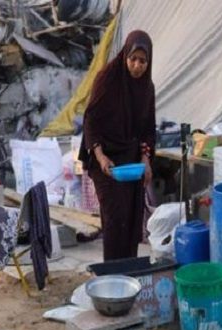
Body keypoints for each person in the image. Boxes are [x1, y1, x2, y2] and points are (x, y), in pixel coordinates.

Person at [79, 30, 156, 261]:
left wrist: (146, 160)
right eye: (133, 59)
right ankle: (113, 272)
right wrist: (100, 156)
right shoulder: (107, 79)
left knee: (131, 218)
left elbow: (147, 128)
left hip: (130, 159)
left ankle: (129, 271)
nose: (137, 66)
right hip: (105, 157)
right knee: (115, 218)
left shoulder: (147, 88)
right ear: (125, 56)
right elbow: (91, 120)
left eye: (142, 61)